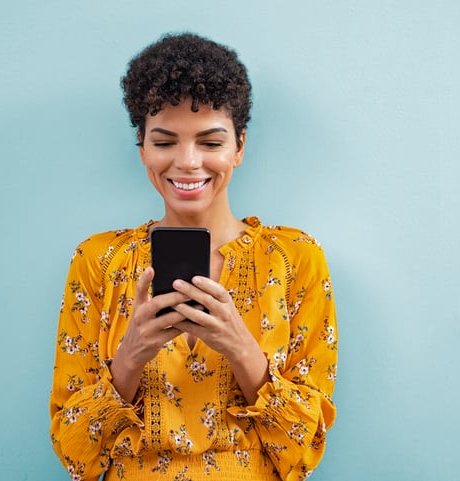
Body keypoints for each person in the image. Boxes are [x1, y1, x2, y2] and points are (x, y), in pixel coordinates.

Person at [49, 32, 337, 481]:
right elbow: (74, 456)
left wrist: (243, 350)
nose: (187, 161)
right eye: (164, 142)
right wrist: (129, 358)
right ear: (141, 147)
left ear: (239, 147)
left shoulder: (295, 259)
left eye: (210, 142)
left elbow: (302, 452)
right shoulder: (98, 261)